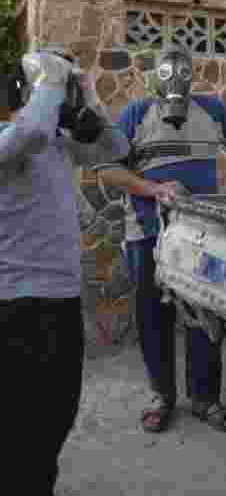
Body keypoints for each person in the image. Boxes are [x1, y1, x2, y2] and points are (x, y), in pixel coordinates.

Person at [95, 41, 226, 434]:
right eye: (167, 72)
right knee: (153, 317)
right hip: (147, 235)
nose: (176, 80)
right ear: (155, 79)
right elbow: (107, 171)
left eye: (183, 71)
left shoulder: (212, 111)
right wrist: (155, 189)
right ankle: (161, 397)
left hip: (202, 235)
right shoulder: (136, 114)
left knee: (204, 314)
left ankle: (205, 399)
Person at [1, 49, 130, 495]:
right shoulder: (12, 142)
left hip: (61, 305)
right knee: (19, 436)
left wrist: (89, 99)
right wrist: (49, 82)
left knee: (55, 420)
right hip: (12, 308)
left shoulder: (54, 141)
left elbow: (117, 148)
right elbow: (30, 130)